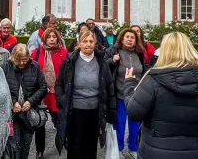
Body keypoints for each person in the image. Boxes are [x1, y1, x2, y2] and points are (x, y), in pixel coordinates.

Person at [127, 32, 198, 158]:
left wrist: (129, 84)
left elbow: (133, 112)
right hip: (190, 152)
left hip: (155, 151)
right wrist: (192, 139)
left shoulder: (153, 79)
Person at [55, 30, 116, 158]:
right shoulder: (69, 61)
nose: (88, 44)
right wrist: (62, 101)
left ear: (95, 43)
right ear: (79, 43)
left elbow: (109, 87)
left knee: (91, 145)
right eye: (85, 41)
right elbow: (59, 84)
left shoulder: (102, 62)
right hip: (75, 110)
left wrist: (110, 112)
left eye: (91, 41)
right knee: (75, 145)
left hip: (95, 110)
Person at [1, 44, 47, 159]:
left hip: (29, 115)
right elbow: (1, 89)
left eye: (24, 60)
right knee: (14, 146)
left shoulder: (34, 66)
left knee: (26, 146)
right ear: (13, 57)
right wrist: (13, 102)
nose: (21, 63)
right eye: (18, 60)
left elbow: (43, 87)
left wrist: (30, 101)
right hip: (12, 115)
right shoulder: (5, 67)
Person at [105, 28, 146, 154]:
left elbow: (144, 71)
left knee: (135, 124)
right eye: (127, 37)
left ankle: (133, 147)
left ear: (136, 41)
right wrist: (112, 61)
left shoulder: (139, 53)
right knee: (120, 123)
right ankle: (119, 148)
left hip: (136, 95)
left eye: (132, 38)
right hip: (120, 95)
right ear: (122, 39)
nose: (129, 39)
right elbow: (103, 67)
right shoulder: (114, 51)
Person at [31, 28, 68, 158]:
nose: (52, 39)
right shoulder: (36, 52)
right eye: (49, 37)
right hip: (41, 92)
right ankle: (39, 150)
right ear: (44, 38)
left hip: (57, 92)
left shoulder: (63, 52)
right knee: (40, 122)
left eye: (54, 37)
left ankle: (63, 138)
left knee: (59, 119)